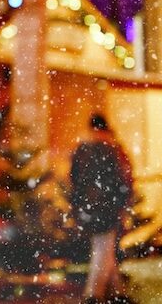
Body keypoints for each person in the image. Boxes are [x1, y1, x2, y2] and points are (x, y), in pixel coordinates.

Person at [70, 113, 134, 303]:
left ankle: (118, 292)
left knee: (103, 247)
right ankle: (93, 294)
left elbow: (74, 180)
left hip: (89, 207)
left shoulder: (82, 149)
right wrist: (124, 204)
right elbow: (124, 179)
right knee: (103, 248)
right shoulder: (113, 149)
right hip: (108, 207)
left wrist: (79, 204)